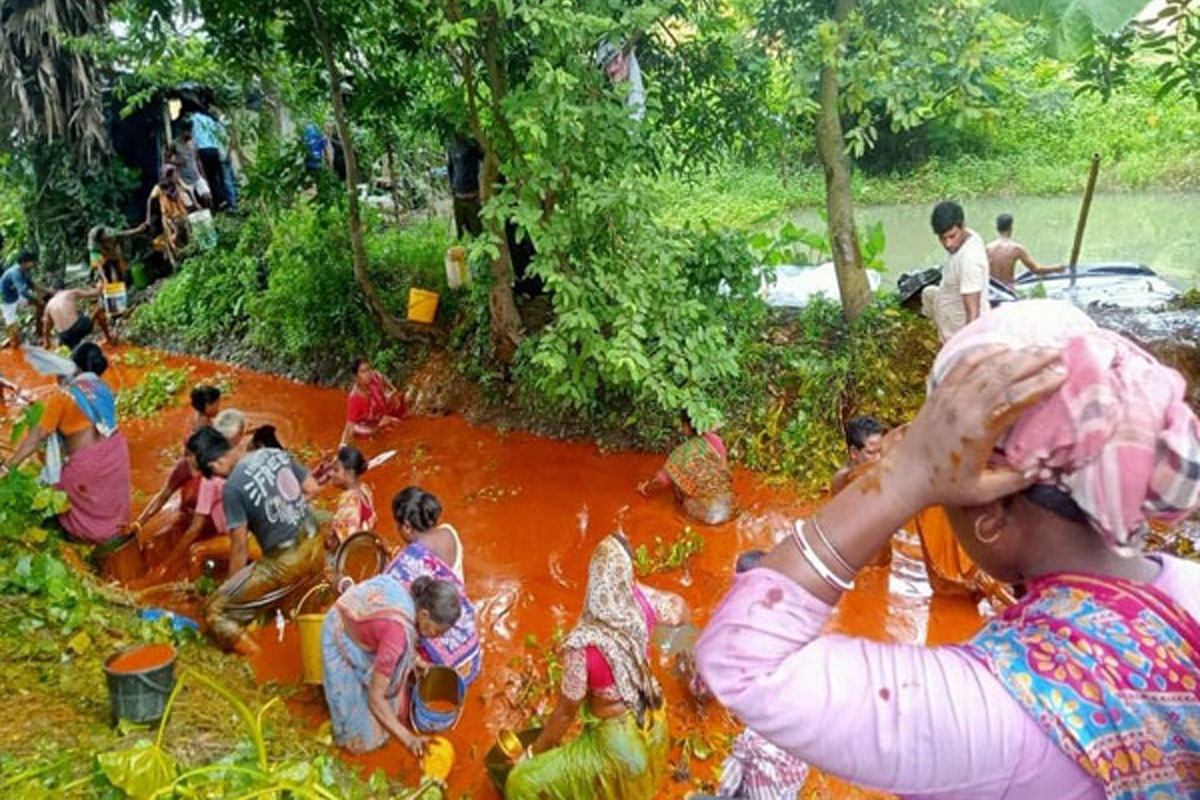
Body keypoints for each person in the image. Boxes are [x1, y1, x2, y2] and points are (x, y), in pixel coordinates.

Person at [696, 299, 1200, 800]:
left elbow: (744, 663)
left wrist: (904, 480)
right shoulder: (1187, 588)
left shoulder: (987, 715)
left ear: (990, 513)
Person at [506, 533, 683, 800]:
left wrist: (533, 753)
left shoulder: (582, 643)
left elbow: (566, 712)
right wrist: (684, 659)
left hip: (619, 747)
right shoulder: (645, 600)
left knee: (521, 782)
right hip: (655, 720)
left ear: (594, 577)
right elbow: (680, 609)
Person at [194, 427, 323, 655]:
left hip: (286, 562)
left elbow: (240, 549)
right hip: (316, 543)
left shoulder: (232, 488)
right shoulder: (273, 453)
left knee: (216, 610)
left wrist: (230, 589)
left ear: (215, 465)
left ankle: (258, 661)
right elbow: (312, 488)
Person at [322, 573, 462, 756]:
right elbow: (375, 698)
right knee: (358, 734)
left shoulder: (410, 593)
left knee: (384, 687)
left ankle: (384, 721)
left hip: (358, 620)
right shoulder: (397, 637)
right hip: (339, 632)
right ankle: (348, 737)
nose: (439, 637)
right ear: (424, 614)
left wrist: (415, 661)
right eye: (438, 631)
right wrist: (409, 739)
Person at [4, 343, 131, 544]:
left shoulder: (61, 397)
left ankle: (81, 539)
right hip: (116, 453)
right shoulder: (102, 388)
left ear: (75, 368)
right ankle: (115, 533)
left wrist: (8, 466)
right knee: (109, 499)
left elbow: (38, 437)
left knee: (57, 491)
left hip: (88, 464)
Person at [386, 486, 481, 684]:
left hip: (435, 626)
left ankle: (421, 669)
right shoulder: (448, 532)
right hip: (456, 611)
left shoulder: (409, 559)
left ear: (406, 527)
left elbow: (393, 597)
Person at [637, 416, 734, 525]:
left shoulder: (680, 454)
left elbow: (661, 480)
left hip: (706, 516)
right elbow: (725, 470)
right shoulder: (716, 440)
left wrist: (645, 488)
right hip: (730, 509)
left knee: (676, 484)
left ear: (687, 426)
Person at [920, 201, 990, 342]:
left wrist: (964, 347)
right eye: (942, 238)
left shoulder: (970, 261)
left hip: (958, 330)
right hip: (948, 314)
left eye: (952, 236)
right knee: (928, 293)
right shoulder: (969, 235)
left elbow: (973, 313)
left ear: (962, 226)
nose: (948, 244)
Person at [127, 165, 193, 268]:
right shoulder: (159, 188)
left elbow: (187, 190)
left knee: (188, 235)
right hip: (170, 218)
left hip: (181, 215)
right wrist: (148, 218)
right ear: (168, 176)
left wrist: (195, 203)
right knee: (174, 239)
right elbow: (150, 200)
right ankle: (180, 261)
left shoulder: (177, 183)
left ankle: (190, 256)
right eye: (174, 174)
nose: (176, 176)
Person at [340, 357, 406, 444]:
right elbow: (349, 427)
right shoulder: (355, 398)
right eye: (363, 371)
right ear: (355, 377)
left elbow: (382, 376)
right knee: (369, 432)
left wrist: (394, 390)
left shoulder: (374, 378)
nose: (368, 374)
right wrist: (342, 448)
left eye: (368, 369)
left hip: (381, 413)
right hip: (367, 425)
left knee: (401, 399)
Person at [987, 213, 1063, 288]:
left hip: (993, 290)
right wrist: (1056, 268)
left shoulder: (988, 248)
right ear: (1011, 228)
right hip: (1008, 290)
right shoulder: (1016, 249)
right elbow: (1036, 270)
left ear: (997, 229)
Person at [43, 281, 114, 350]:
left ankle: (69, 346)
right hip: (79, 329)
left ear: (53, 290)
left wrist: (46, 343)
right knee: (97, 309)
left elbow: (46, 329)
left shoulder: (48, 305)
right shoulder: (70, 293)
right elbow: (96, 293)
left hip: (65, 337)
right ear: (64, 288)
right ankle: (110, 339)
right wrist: (100, 286)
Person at [329, 445, 377, 545]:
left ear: (349, 474)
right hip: (369, 545)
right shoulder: (364, 488)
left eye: (336, 470)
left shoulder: (349, 500)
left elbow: (344, 540)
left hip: (355, 553)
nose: (330, 474)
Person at [831, 415, 886, 493]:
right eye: (870, 453)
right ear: (854, 452)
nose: (878, 458)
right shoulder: (842, 482)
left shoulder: (879, 471)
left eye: (880, 451)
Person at [2, 251, 45, 348]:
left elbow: (32, 284)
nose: (33, 264)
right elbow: (23, 292)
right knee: (14, 337)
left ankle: (39, 333)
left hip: (17, 296)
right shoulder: (15, 272)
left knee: (40, 304)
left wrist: (49, 291)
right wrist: (37, 299)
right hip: (7, 302)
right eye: (31, 262)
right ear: (24, 262)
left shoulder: (24, 271)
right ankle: (13, 342)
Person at [191, 110, 231, 210]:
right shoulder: (210, 120)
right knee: (216, 177)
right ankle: (221, 201)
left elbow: (193, 137)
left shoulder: (193, 118)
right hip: (214, 149)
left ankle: (212, 203)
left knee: (206, 177)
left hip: (203, 150)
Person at [447, 135, 483, 238]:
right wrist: (452, 188)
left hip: (472, 196)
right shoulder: (451, 147)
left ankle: (479, 252)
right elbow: (450, 168)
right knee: (461, 233)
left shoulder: (472, 145)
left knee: (477, 231)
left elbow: (485, 159)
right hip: (458, 197)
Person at [174, 119, 211, 207]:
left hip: (196, 176)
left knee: (208, 197)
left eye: (191, 131)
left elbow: (197, 160)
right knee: (189, 205)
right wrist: (176, 162)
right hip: (184, 180)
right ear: (182, 132)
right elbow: (166, 160)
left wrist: (203, 175)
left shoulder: (194, 143)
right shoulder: (174, 144)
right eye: (188, 132)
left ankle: (208, 215)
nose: (191, 134)